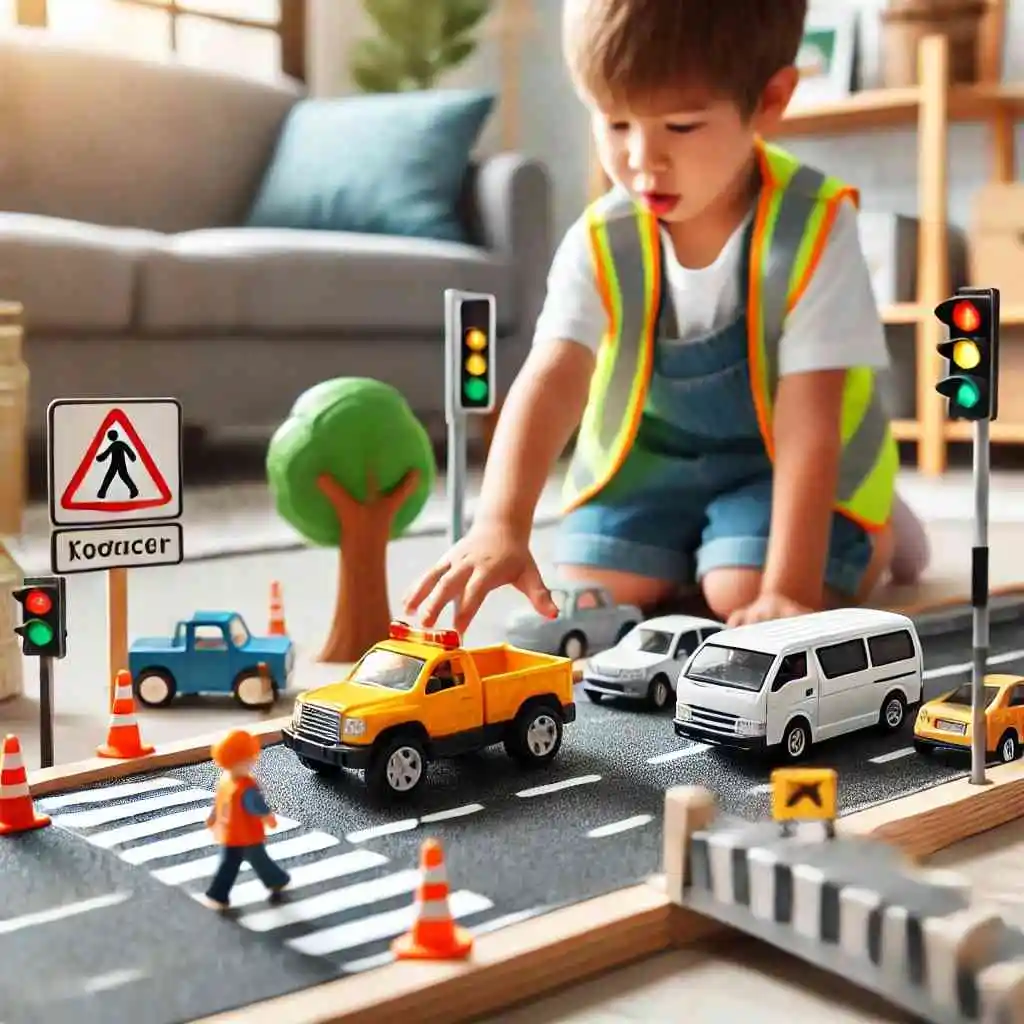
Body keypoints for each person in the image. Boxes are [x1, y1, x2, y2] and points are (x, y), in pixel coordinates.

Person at [405, 0, 930, 635]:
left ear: (770, 100)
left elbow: (809, 418)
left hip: (783, 463)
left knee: (739, 589)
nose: (641, 161)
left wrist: (788, 589)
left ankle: (878, 530)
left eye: (681, 126)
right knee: (597, 590)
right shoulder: (601, 237)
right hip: (655, 466)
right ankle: (708, 539)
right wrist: (500, 524)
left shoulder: (816, 228)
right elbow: (553, 376)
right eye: (616, 122)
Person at [203, 728, 290, 910]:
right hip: (240, 835)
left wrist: (212, 817)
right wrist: (213, 817)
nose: (252, 762)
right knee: (254, 861)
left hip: (240, 835)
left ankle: (219, 894)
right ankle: (276, 880)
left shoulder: (234, 783)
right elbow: (226, 802)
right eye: (248, 759)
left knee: (238, 863)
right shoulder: (237, 784)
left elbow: (249, 806)